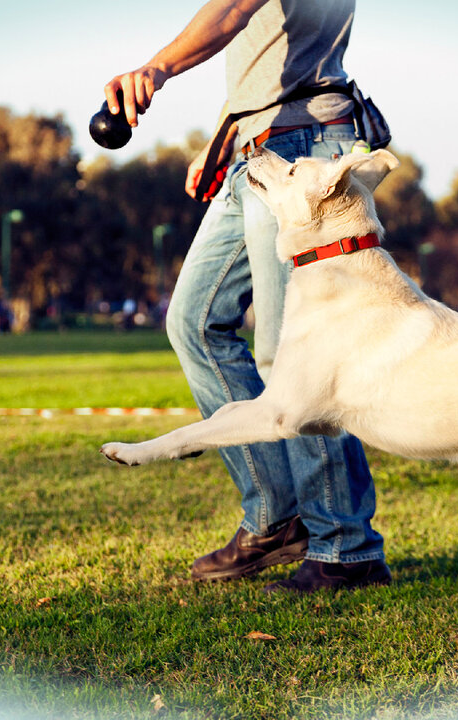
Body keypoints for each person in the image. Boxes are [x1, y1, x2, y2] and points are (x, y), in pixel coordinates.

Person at [103, 0, 388, 592]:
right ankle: (276, 517)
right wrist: (225, 138)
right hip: (256, 147)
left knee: (295, 359)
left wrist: (157, 68)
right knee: (194, 322)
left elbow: (233, 9)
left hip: (303, 150)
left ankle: (345, 547)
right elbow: (267, 55)